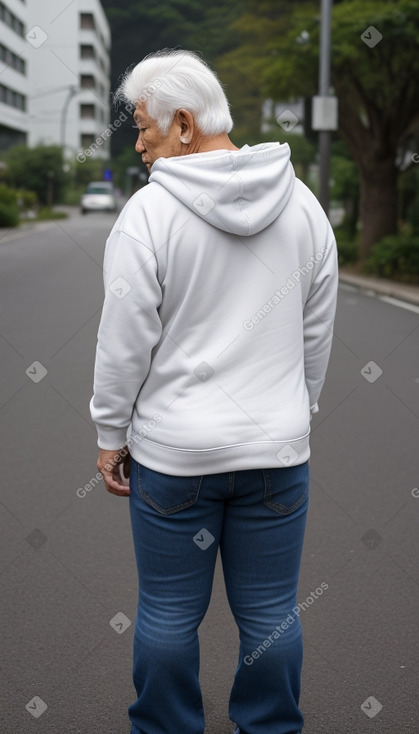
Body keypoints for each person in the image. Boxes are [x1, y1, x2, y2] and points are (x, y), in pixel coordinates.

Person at [90, 49, 338, 734]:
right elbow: (313, 335)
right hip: (276, 455)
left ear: (183, 123)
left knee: (168, 611)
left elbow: (122, 342)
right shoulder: (304, 205)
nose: (137, 145)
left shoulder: (148, 216)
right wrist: (294, 411)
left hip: (174, 458)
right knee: (270, 613)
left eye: (142, 128)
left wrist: (111, 434)